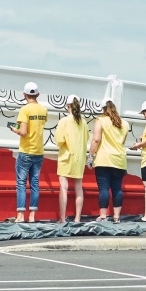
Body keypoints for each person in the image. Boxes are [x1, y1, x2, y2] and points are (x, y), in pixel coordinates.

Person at [10, 81, 48, 223]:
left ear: (24, 94)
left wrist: (15, 129)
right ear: (37, 94)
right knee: (35, 183)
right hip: (39, 152)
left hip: (26, 151)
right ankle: (32, 216)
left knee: (21, 183)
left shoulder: (24, 110)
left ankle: (20, 215)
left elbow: (24, 132)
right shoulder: (44, 110)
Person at [89, 98, 129, 222]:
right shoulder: (125, 123)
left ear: (103, 109)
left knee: (104, 189)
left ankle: (103, 216)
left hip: (104, 159)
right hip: (119, 160)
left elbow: (96, 139)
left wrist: (91, 156)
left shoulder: (100, 120)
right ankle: (116, 216)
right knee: (117, 188)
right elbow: (122, 142)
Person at [54, 94, 89, 223]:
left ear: (68, 106)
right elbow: (86, 139)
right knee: (78, 188)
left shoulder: (64, 121)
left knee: (63, 187)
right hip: (79, 158)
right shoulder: (84, 122)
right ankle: (77, 218)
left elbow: (59, 140)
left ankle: (62, 218)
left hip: (66, 157)